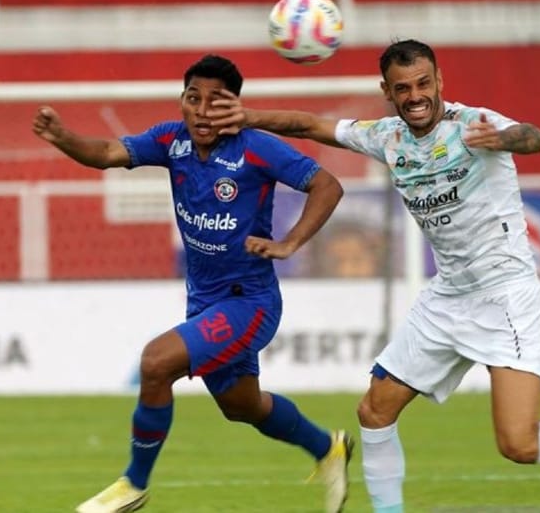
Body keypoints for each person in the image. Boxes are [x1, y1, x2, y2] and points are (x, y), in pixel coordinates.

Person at [207, 39, 540, 512]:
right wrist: (247, 117)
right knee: (374, 410)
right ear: (387, 91)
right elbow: (309, 125)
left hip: (505, 296)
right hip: (448, 296)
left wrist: (504, 140)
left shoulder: (475, 124)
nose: (415, 96)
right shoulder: (386, 136)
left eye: (423, 84)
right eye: (403, 88)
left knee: (520, 445)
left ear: (439, 81)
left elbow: (535, 137)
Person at [32, 54, 353, 513]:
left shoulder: (257, 148)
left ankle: (133, 485)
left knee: (156, 363)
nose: (202, 111)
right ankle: (328, 448)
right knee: (242, 407)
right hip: (204, 302)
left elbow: (327, 185)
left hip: (250, 302)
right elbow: (105, 153)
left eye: (216, 101)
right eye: (193, 98)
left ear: (234, 106)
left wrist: (290, 243)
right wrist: (62, 137)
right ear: (181, 101)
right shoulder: (171, 141)